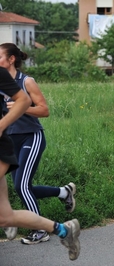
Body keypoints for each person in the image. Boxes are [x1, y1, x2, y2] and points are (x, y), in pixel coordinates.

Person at [0, 66, 80, 260]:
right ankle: (64, 230)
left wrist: (1, 125)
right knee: (6, 216)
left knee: (22, 186)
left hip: (24, 139)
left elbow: (34, 105)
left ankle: (41, 232)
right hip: (12, 140)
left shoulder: (23, 80)